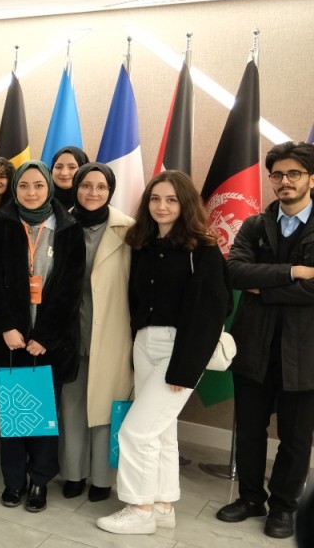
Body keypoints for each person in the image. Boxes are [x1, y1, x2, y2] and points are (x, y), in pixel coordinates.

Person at [95, 170, 228, 535]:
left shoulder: (203, 249)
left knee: (136, 432)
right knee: (162, 431)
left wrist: (185, 368)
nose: (162, 206)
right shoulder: (143, 244)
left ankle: (139, 510)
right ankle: (162, 504)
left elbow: (212, 313)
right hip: (144, 343)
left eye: (171, 199)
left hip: (178, 349)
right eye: (155, 199)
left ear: (185, 204)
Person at [218, 141, 314, 539]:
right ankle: (250, 498)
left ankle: (284, 507)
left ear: (311, 179)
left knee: (296, 438)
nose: (285, 181)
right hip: (254, 344)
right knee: (250, 430)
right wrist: (295, 271)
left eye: (294, 174)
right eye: (277, 174)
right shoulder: (255, 224)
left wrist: (266, 285)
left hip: (304, 351)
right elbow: (236, 273)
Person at [0, 160, 84, 511]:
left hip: (49, 345)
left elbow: (70, 291)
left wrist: (46, 337)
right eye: (24, 185)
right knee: (13, 416)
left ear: (49, 187)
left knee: (43, 419)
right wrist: (6, 327)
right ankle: (13, 481)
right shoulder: (2, 223)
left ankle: (39, 481)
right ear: (15, 189)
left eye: (38, 185)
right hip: (10, 341)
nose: (31, 192)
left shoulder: (68, 228)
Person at [59, 163, 134, 502]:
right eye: (86, 185)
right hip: (71, 333)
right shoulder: (60, 225)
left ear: (110, 190)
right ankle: (73, 474)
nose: (93, 192)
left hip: (113, 333)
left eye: (101, 186)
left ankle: (103, 479)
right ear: (76, 188)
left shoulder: (129, 230)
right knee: (72, 406)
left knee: (106, 407)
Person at [50, 146, 89, 211]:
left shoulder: (94, 201)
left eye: (72, 167)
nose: (64, 173)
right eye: (58, 167)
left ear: (83, 170)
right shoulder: (39, 201)